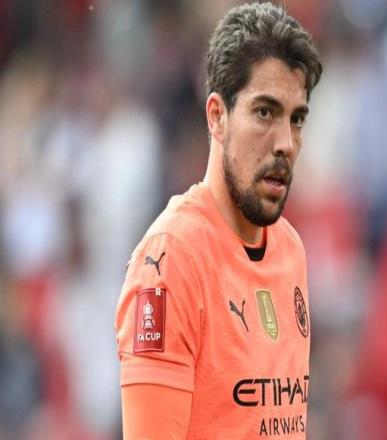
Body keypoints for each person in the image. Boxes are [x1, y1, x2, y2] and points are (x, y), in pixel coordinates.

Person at [114, 2, 322, 438]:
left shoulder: (290, 249)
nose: (285, 143)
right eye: (265, 112)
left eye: (297, 118)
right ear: (217, 116)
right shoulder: (172, 260)